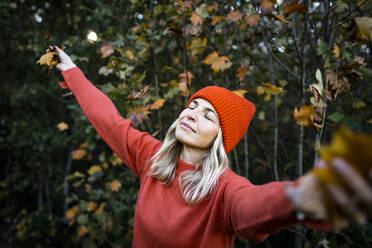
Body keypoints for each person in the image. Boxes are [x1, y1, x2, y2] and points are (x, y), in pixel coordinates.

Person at [51, 46, 372, 247]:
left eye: (209, 115)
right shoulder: (152, 158)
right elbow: (109, 120)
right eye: (193, 106)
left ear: (220, 138)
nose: (192, 113)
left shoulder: (225, 190)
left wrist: (306, 195)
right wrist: (71, 70)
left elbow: (254, 207)